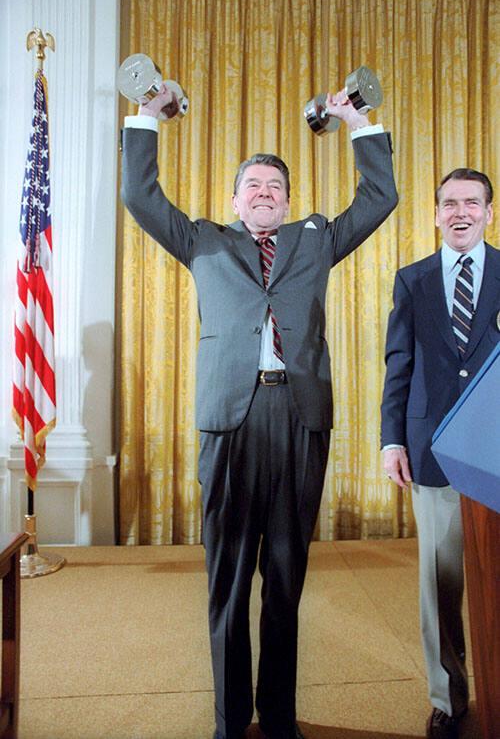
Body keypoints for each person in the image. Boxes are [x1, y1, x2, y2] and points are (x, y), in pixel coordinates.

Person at [121, 82, 398, 739]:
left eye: (276, 185)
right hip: (230, 423)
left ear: (290, 200)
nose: (265, 192)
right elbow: (139, 194)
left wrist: (356, 120)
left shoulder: (317, 240)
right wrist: (147, 116)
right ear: (234, 198)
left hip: (300, 419)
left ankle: (276, 719)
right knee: (227, 575)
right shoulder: (202, 241)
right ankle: (228, 720)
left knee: (285, 573)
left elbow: (380, 198)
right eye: (254, 185)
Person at [381, 169, 499, 739]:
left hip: (498, 447)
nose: (460, 212)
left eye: (471, 203)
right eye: (449, 203)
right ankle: (448, 700)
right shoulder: (412, 280)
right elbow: (397, 365)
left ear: (488, 213)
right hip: (433, 450)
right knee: (441, 578)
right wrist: (392, 439)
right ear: (434, 214)